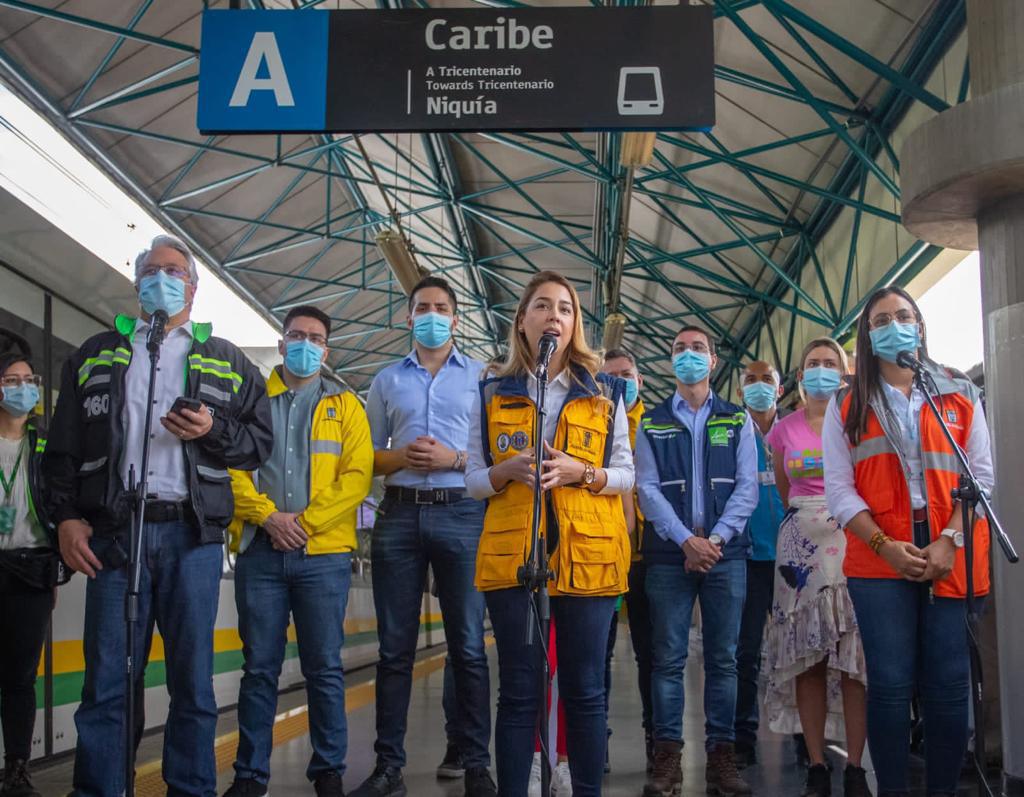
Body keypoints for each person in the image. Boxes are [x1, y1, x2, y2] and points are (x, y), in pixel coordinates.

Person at [44, 234, 273, 797]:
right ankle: (100, 789)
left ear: (193, 288)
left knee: (192, 681)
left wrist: (212, 430)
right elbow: (62, 450)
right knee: (106, 681)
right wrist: (67, 517)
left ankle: (190, 789)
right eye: (151, 271)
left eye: (174, 271)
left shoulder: (228, 360)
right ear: (138, 284)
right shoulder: (95, 354)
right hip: (114, 533)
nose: (162, 279)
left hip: (192, 537)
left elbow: (257, 445)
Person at [465, 270, 634, 797]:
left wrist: (582, 472)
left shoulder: (606, 392)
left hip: (589, 556)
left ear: (574, 324)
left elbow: (626, 474)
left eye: (564, 308)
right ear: (522, 321)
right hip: (515, 556)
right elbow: (472, 479)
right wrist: (504, 471)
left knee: (584, 690)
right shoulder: (492, 393)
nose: (553, 316)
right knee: (519, 692)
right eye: (541, 305)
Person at [822, 286, 994, 797]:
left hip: (952, 555)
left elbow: (982, 476)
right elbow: (839, 489)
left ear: (919, 325)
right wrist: (884, 545)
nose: (893, 325)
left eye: (903, 315)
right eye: (881, 320)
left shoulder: (959, 391)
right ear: (867, 335)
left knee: (949, 684)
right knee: (891, 684)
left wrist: (949, 541)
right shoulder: (846, 403)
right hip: (880, 560)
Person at [223, 305, 373, 797]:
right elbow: (230, 470)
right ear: (281, 343)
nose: (305, 344)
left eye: (315, 338)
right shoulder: (250, 402)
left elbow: (357, 477)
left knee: (324, 668)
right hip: (259, 551)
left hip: (323, 556)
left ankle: (328, 771)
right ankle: (250, 776)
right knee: (258, 670)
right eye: (296, 336)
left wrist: (303, 524)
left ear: (326, 352)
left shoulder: (346, 407)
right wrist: (268, 517)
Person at [354, 275, 494, 797]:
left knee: (468, 645)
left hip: (463, 512)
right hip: (399, 515)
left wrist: (452, 458)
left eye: (440, 308)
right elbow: (368, 457)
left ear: (455, 318)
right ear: (408, 316)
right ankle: (387, 767)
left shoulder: (482, 377)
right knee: (395, 650)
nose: (431, 315)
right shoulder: (386, 380)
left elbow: (495, 454)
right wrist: (401, 456)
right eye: (421, 308)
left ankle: (476, 762)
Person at [635, 324, 758, 797]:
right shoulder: (652, 422)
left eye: (698, 348)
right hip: (670, 556)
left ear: (713, 361)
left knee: (723, 660)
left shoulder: (737, 419)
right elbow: (647, 489)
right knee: (667, 659)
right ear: (671, 361)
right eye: (680, 349)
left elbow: (747, 487)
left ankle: (721, 759)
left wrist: (716, 540)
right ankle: (667, 760)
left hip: (726, 556)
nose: (689, 355)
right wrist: (687, 540)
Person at [761, 339, 870, 797]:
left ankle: (856, 767)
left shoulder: (859, 422)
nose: (821, 370)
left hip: (852, 537)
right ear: (800, 374)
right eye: (813, 363)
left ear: (844, 374)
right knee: (808, 658)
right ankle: (817, 765)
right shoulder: (783, 430)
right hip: (800, 544)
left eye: (830, 363)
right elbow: (784, 490)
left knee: (852, 659)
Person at [0, 350, 59, 797]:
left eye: (28, 380)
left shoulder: (45, 445)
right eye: (11, 380)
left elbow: (59, 503)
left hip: (30, 570)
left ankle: (17, 769)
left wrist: (56, 566)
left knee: (21, 677)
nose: (23, 388)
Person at [731, 360, 786, 769]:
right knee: (745, 652)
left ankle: (806, 739)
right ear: (739, 392)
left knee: (801, 649)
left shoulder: (795, 430)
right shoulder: (732, 432)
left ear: (780, 390)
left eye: (767, 380)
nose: (759, 386)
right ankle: (742, 737)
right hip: (748, 557)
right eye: (751, 380)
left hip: (794, 557)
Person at [600, 347, 651, 770]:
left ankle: (658, 741)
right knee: (597, 654)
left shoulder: (658, 424)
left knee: (651, 654)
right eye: (610, 375)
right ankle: (593, 741)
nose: (620, 382)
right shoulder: (594, 420)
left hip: (650, 557)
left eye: (626, 374)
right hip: (603, 552)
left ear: (640, 380)